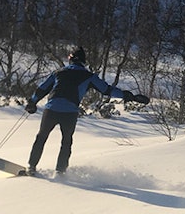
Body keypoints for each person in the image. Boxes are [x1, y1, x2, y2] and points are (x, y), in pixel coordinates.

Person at [24, 47, 149, 176]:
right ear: (83, 62)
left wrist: (32, 103)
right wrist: (130, 96)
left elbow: (42, 89)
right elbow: (107, 90)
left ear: (70, 59)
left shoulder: (58, 73)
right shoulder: (89, 76)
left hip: (51, 110)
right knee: (66, 141)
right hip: (70, 113)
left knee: (41, 137)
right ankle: (60, 172)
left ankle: (31, 167)